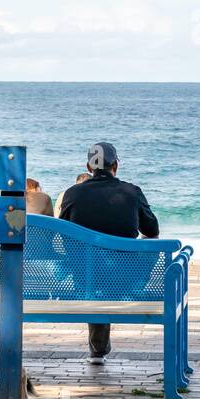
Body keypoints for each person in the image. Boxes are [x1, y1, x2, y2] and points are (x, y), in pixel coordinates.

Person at [56, 142, 159, 365]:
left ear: (88, 166)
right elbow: (152, 231)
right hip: (125, 279)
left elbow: (62, 236)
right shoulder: (132, 192)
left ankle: (98, 349)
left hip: (85, 279)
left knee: (92, 268)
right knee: (151, 243)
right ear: (116, 166)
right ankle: (135, 288)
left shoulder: (72, 194)